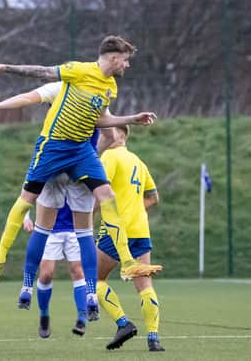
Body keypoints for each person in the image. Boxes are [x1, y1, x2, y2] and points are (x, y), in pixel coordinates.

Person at [0, 35, 162, 301]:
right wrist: (2, 69)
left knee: (107, 196)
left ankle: (128, 261)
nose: (127, 66)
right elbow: (40, 73)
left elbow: (102, 120)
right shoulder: (78, 71)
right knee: (25, 202)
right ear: (113, 58)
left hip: (81, 150)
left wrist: (133, 118)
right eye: (126, 60)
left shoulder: (110, 87)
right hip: (53, 147)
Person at [0, 82, 101, 319]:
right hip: (74, 164)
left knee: (44, 223)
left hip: (67, 162)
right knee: (75, 227)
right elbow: (27, 96)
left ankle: (23, 282)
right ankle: (3, 261)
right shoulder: (79, 88)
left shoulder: (89, 89)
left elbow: (27, 96)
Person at [95, 125, 165, 352]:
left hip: (117, 229)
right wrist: (136, 208)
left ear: (122, 135)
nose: (105, 135)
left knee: (93, 278)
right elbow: (154, 197)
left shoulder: (110, 156)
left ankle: (123, 323)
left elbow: (101, 193)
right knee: (144, 285)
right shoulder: (138, 161)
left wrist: (83, 215)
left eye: (110, 131)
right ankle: (153, 338)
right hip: (140, 229)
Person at [22, 203, 87, 338]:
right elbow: (29, 192)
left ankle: (82, 319)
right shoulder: (47, 180)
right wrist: (26, 217)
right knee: (46, 274)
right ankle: (44, 315)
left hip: (74, 229)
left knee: (78, 272)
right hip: (49, 229)